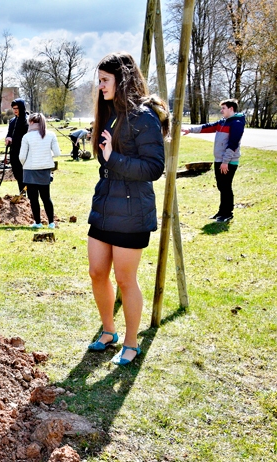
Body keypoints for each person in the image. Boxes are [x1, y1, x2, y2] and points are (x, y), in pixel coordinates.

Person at [86, 52, 169, 366]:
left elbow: (154, 168)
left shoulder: (144, 117)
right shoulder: (109, 112)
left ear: (122, 80)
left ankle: (131, 344)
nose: (100, 86)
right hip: (105, 205)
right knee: (96, 272)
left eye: (105, 80)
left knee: (124, 278)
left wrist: (113, 158)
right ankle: (109, 331)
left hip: (133, 212)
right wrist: (107, 157)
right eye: (99, 80)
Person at [182, 98, 245, 223]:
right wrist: (190, 130)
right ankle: (221, 212)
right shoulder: (223, 122)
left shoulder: (236, 123)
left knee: (225, 187)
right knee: (221, 186)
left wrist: (225, 162)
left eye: (223, 108)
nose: (221, 111)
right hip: (219, 160)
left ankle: (227, 213)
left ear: (231, 108)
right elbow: (208, 127)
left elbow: (233, 144)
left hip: (228, 162)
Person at [19, 113, 61, 229]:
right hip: (45, 170)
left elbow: (22, 156)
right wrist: (46, 157)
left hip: (30, 170)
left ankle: (38, 222)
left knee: (33, 199)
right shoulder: (51, 135)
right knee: (46, 198)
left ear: (31, 122)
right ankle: (51, 222)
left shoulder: (27, 137)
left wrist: (25, 165)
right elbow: (57, 153)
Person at [4, 98, 29, 193]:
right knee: (18, 175)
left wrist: (13, 140)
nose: (15, 110)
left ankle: (29, 196)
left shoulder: (27, 120)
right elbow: (9, 134)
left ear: (21, 108)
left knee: (25, 176)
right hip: (14, 153)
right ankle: (22, 195)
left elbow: (26, 137)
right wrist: (7, 138)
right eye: (13, 108)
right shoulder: (12, 121)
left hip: (25, 153)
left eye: (17, 108)